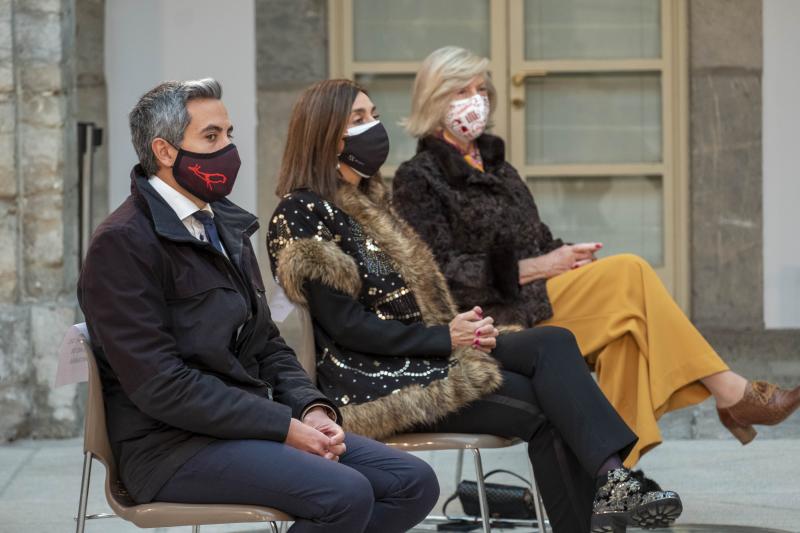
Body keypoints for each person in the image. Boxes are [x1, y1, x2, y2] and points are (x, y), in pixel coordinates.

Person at [267, 78, 683, 533]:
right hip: (374, 379)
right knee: (548, 409)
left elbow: (410, 306)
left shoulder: (371, 202)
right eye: (359, 120)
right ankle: (609, 493)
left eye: (375, 115)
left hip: (417, 350)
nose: (375, 127)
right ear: (325, 133)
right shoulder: (302, 212)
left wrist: (459, 326)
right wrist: (446, 338)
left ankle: (614, 481)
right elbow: (349, 329)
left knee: (553, 343)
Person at [391, 46, 800, 467]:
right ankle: (731, 392)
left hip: (537, 300)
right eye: (462, 89)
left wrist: (566, 256)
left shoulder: (496, 166)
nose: (476, 99)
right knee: (630, 271)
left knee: (625, 336)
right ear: (436, 99)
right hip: (490, 317)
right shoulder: (418, 178)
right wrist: (537, 268)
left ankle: (614, 482)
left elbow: (535, 236)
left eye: (480, 87)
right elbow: (440, 275)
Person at [77, 78, 440, 533]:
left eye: (229, 134)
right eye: (211, 137)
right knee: (344, 493)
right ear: (165, 152)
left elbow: (266, 343)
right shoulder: (122, 244)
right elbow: (162, 386)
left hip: (247, 425)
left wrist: (311, 409)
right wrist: (284, 428)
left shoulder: (224, 223)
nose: (228, 149)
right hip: (170, 447)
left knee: (412, 481)